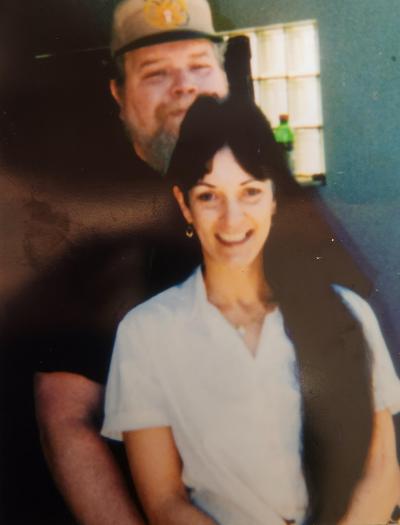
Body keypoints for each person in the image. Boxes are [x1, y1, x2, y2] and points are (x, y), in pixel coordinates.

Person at [102, 96, 400, 525]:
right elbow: (164, 502)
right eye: (209, 196)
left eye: (251, 192)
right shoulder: (146, 333)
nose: (232, 219)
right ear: (184, 205)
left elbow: (383, 469)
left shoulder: (347, 312)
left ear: (275, 198)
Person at [33, 1, 228, 523]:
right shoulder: (90, 226)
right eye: (157, 73)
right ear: (119, 94)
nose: (184, 87)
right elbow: (66, 416)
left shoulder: (268, 200)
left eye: (199, 66)